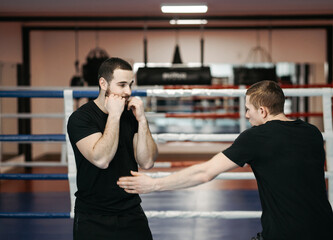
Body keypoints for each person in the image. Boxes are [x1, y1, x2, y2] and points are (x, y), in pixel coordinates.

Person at [118, 80, 333, 240]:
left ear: (263, 111)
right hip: (325, 229)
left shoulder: (256, 137)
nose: (246, 116)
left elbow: (205, 172)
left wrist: (154, 183)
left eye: (248, 110)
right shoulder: (312, 133)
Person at [67, 57, 158, 240]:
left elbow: (147, 161)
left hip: (131, 212)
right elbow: (101, 159)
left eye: (130, 85)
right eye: (122, 85)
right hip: (93, 216)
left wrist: (142, 120)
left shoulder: (130, 116)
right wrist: (114, 116)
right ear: (103, 83)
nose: (128, 92)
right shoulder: (81, 119)